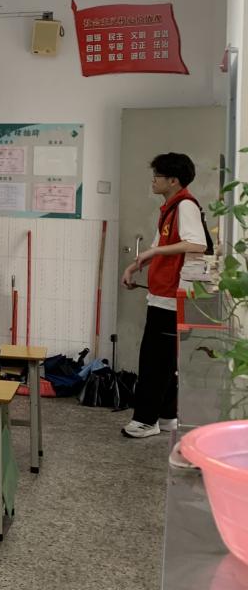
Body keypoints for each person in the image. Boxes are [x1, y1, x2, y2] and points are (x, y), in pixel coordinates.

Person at [121, 152, 209, 439]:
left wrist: (156, 251)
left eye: (157, 176)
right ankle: (167, 415)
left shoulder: (185, 205)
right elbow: (160, 247)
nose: (153, 181)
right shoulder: (170, 208)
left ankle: (146, 420)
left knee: (154, 362)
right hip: (162, 294)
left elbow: (197, 244)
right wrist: (134, 267)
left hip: (172, 297)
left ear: (173, 180)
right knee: (165, 360)